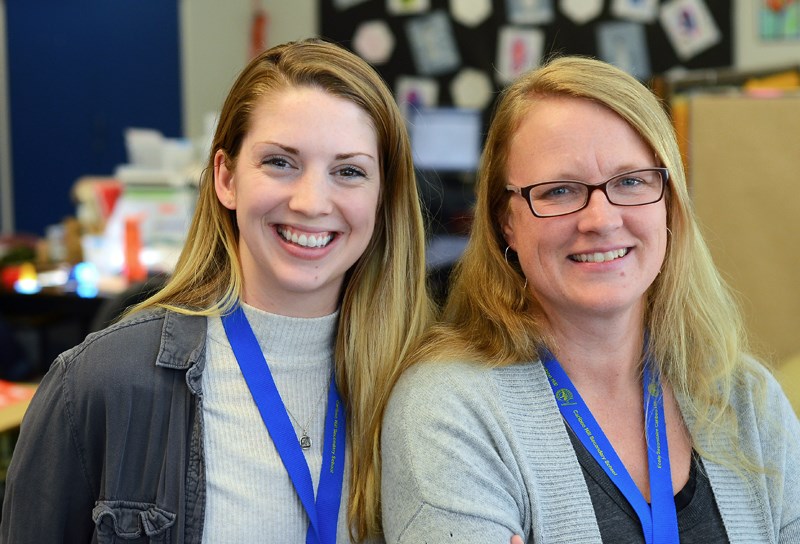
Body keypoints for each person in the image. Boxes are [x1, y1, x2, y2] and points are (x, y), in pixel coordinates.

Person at [1, 38, 431, 543]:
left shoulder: (430, 383)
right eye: (280, 162)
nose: (313, 202)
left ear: (383, 196)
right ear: (226, 178)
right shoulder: (98, 383)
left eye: (349, 171)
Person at [381, 56, 800, 543]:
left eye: (630, 181)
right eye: (559, 190)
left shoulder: (747, 399)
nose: (600, 219)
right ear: (505, 221)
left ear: (668, 199)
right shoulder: (447, 412)